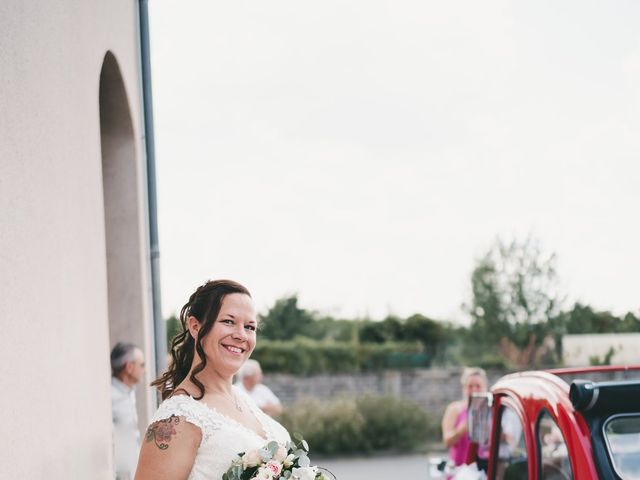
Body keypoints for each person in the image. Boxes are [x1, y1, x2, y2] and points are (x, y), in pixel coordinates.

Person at [135, 280, 290, 480]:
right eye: (228, 321)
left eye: (250, 326)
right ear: (195, 326)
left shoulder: (243, 399)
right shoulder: (177, 418)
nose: (241, 335)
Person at [441, 367, 488, 470]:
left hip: (485, 470)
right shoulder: (454, 409)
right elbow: (447, 441)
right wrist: (464, 427)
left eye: (478, 386)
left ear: (485, 387)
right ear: (464, 388)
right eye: (470, 386)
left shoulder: (492, 410)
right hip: (460, 470)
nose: (474, 390)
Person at [111, 342, 146, 480]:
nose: (144, 370)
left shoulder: (129, 391)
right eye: (141, 365)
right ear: (129, 367)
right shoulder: (109, 396)